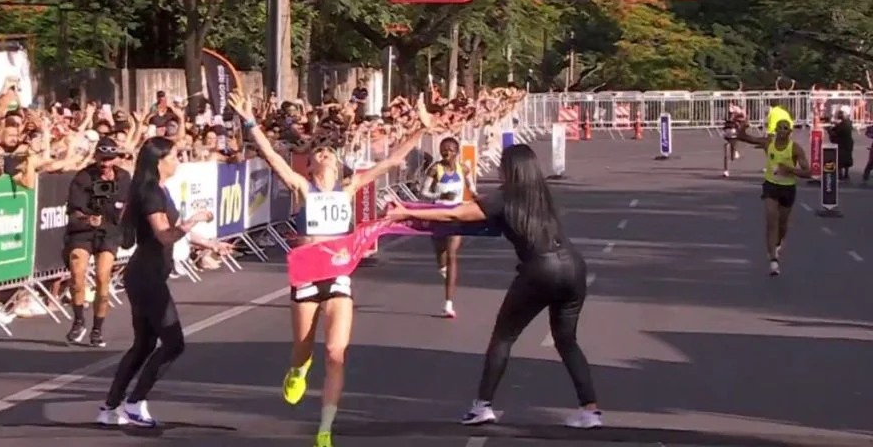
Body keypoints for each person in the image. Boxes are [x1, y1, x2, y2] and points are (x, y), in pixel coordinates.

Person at [226, 90, 434, 447]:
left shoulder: (349, 187)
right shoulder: (301, 188)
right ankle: (298, 370)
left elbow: (390, 162)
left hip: (338, 278)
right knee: (302, 349)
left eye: (329, 151)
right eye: (318, 151)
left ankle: (324, 428)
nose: (322, 152)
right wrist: (249, 121)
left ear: (337, 165)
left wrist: (420, 130)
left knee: (336, 353)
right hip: (307, 277)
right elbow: (273, 156)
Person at [386, 144, 602, 429]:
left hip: (540, 269)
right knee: (567, 340)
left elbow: (457, 214)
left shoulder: (506, 197)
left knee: (503, 338)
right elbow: (482, 209)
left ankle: (482, 406)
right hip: (573, 267)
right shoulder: (542, 196)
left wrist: (406, 213)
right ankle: (590, 410)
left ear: (509, 169)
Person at [97, 136, 234, 428]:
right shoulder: (150, 193)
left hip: (148, 275)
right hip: (145, 277)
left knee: (145, 344)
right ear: (160, 161)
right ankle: (134, 403)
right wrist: (196, 218)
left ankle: (109, 407)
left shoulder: (159, 191)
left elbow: (173, 231)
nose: (178, 160)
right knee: (173, 343)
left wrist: (210, 244)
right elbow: (165, 235)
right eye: (174, 156)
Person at [63, 137, 132, 347]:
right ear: (96, 157)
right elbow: (73, 210)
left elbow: (129, 205)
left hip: (109, 231)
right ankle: (78, 320)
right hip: (83, 231)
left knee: (103, 276)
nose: (106, 163)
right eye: (102, 159)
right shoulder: (83, 177)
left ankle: (97, 329)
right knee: (77, 271)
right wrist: (87, 218)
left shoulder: (124, 178)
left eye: (110, 159)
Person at [736, 118, 810, 276]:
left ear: (790, 132)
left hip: (788, 188)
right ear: (776, 130)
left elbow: (808, 172)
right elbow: (743, 137)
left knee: (782, 225)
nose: (782, 131)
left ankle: (777, 243)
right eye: (780, 128)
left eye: (785, 128)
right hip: (771, 186)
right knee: (771, 220)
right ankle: (773, 261)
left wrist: (790, 170)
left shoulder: (795, 149)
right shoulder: (767, 143)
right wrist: (743, 127)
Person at [419, 137, 477, 318]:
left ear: (457, 152)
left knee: (452, 255)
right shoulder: (435, 169)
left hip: (456, 214)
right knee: (441, 253)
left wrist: (476, 196)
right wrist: (441, 193)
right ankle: (442, 266)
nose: (447, 153)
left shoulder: (464, 168)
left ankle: (448, 304)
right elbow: (423, 192)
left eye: (451, 150)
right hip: (438, 213)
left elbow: (471, 186)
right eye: (444, 149)